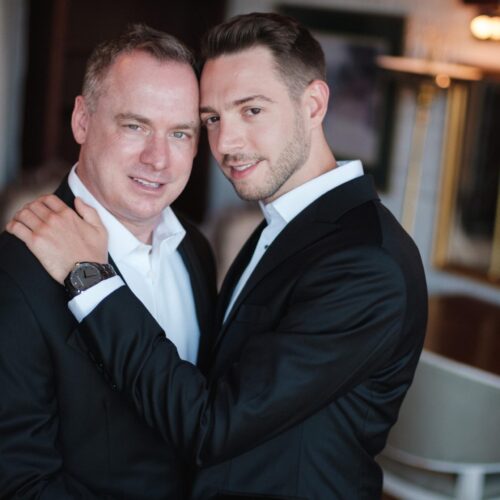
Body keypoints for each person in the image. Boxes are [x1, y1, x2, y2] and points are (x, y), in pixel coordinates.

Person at [9, 12, 428, 500]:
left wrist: (92, 279)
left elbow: (212, 423)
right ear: (82, 120)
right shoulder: (260, 234)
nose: (225, 144)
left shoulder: (366, 262)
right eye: (211, 119)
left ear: (313, 104)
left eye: (251, 110)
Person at [0, 24, 216, 499]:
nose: (158, 158)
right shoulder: (16, 273)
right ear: (82, 120)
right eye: (134, 125)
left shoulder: (195, 250)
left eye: (179, 133)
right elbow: (20, 484)